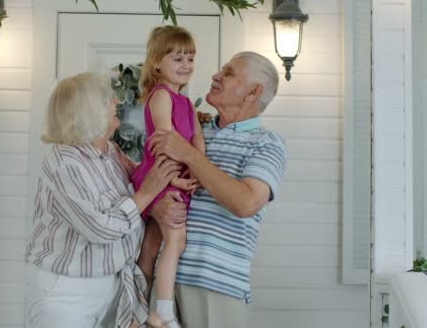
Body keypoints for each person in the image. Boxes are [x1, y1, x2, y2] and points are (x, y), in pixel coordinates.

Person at [25, 72, 181, 328]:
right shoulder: (64, 161)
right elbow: (101, 227)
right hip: (67, 290)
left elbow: (142, 193)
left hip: (111, 286)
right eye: (108, 100)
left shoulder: (111, 152)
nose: (116, 103)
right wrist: (147, 193)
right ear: (88, 112)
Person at [150, 51, 288, 328]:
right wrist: (156, 207)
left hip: (217, 288)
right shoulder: (192, 130)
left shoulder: (267, 143)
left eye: (229, 73)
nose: (215, 76)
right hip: (163, 284)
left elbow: (246, 203)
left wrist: (190, 155)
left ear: (253, 92)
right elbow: (154, 182)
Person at [131, 25, 205, 328]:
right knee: (177, 239)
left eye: (190, 58)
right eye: (177, 59)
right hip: (162, 175)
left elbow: (197, 137)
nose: (186, 65)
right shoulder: (161, 96)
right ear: (157, 62)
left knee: (150, 248)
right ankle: (163, 311)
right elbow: (164, 140)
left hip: (177, 173)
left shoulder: (186, 102)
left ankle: (136, 307)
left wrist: (197, 164)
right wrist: (173, 180)